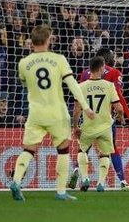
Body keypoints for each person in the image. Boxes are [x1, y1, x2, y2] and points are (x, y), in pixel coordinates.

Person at [10, 24, 93, 201]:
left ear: (31, 42)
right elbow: (72, 85)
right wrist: (85, 107)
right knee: (63, 151)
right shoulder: (59, 59)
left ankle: (16, 181)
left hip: (35, 113)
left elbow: (25, 84)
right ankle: (61, 192)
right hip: (57, 113)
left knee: (29, 150)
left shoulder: (23, 63)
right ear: (49, 40)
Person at [70, 48, 129, 190]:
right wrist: (127, 116)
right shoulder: (114, 73)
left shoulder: (84, 75)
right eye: (113, 56)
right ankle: (120, 181)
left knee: (83, 149)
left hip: (87, 120)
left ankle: (78, 171)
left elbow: (77, 106)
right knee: (110, 150)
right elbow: (118, 98)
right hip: (106, 120)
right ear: (106, 61)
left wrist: (75, 126)